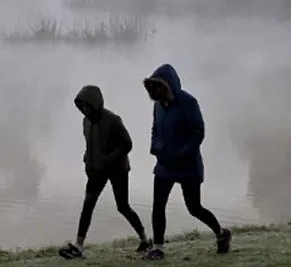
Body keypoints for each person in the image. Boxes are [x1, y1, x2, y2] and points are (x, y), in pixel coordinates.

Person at [141, 63, 231, 261]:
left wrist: (182, 154)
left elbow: (198, 132)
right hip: (164, 165)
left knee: (194, 208)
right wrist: (156, 148)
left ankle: (221, 233)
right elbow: (155, 130)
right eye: (151, 87)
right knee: (158, 206)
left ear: (167, 85)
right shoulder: (158, 106)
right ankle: (158, 247)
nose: (153, 91)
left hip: (187, 166)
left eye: (157, 86)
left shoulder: (188, 102)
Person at [59, 85, 151, 260]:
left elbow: (127, 144)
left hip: (118, 170)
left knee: (123, 207)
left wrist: (110, 158)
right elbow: (90, 145)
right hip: (96, 171)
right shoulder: (85, 121)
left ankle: (145, 240)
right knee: (88, 205)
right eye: (82, 106)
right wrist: (88, 161)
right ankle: (78, 246)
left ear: (95, 103)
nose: (84, 109)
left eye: (87, 105)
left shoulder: (113, 120)